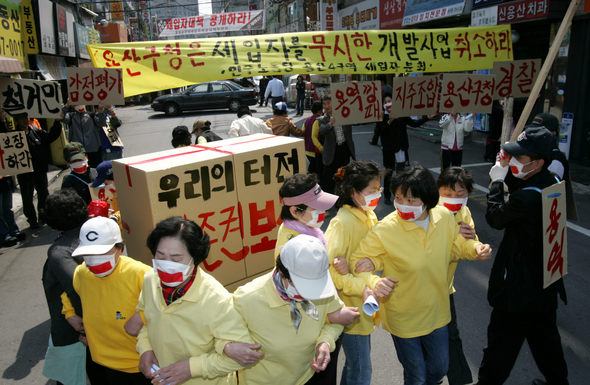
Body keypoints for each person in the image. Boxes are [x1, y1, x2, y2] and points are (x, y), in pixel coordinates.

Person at [351, 165, 492, 385]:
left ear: (427, 198)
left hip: (437, 311)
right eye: (398, 198)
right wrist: (374, 281)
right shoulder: (386, 228)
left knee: (439, 368)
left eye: (411, 200)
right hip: (404, 316)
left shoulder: (444, 217)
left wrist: (475, 250)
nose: (402, 205)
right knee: (416, 375)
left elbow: (456, 247)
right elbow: (358, 263)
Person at [477, 126, 568, 385]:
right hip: (545, 283)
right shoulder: (550, 182)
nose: (515, 161)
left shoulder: (527, 199)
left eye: (520, 158)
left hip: (517, 290)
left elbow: (495, 218)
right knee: (546, 344)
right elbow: (524, 185)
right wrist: (507, 169)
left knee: (499, 351)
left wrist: (496, 181)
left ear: (538, 162)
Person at [136, 217, 262, 385]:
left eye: (176, 258)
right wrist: (145, 348)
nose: (167, 265)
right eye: (160, 256)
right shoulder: (150, 280)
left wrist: (191, 368)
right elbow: (146, 320)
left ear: (194, 258)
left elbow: (240, 358)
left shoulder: (216, 299)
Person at [276, 172, 360, 385]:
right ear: (295, 210)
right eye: (317, 208)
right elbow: (304, 300)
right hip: (314, 334)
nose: (324, 212)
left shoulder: (304, 232)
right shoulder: (292, 250)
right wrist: (334, 314)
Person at [233, 235, 345, 385]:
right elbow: (218, 339)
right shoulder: (245, 300)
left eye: (314, 288)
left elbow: (336, 320)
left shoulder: (322, 288)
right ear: (282, 273)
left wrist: (325, 341)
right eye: (303, 288)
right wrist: (229, 347)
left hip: (308, 376)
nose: (310, 295)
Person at [61, 216, 151, 384]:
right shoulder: (82, 273)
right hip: (98, 363)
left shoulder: (142, 274)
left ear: (120, 248)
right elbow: (66, 292)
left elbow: (166, 304)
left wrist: (142, 316)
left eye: (101, 252)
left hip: (135, 365)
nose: (94, 259)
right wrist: (69, 313)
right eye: (88, 253)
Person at [326, 160, 382, 385]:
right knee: (361, 369)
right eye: (372, 190)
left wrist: (373, 262)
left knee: (354, 364)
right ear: (354, 192)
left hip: (364, 306)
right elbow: (331, 271)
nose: (377, 195)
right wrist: (361, 286)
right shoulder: (342, 223)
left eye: (379, 189)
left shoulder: (369, 215)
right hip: (350, 308)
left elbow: (379, 251)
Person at [41, 189, 89, 385]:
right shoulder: (93, 234)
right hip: (98, 323)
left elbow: (76, 288)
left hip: (73, 329)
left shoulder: (59, 252)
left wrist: (84, 327)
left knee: (72, 375)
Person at [437, 167, 478, 385]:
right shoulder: (426, 210)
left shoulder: (464, 213)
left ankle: (460, 380)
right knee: (423, 336)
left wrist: (474, 242)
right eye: (448, 194)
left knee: (451, 335)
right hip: (417, 288)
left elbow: (469, 243)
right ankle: (429, 376)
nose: (454, 199)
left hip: (444, 288)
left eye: (460, 194)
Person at [13, 111, 63, 228]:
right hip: (24, 173)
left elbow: (50, 136)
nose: (25, 121)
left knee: (43, 193)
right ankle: (31, 219)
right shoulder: (14, 136)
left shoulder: (35, 131)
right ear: (16, 121)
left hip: (39, 169)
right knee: (27, 196)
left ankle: (42, 216)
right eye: (21, 119)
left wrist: (56, 122)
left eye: (26, 118)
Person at [380, 96, 432, 204]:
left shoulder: (402, 114)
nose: (388, 103)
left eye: (390, 101)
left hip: (401, 149)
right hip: (389, 150)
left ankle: (400, 195)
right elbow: (381, 132)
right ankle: (387, 196)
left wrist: (427, 117)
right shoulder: (382, 116)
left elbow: (414, 124)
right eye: (385, 102)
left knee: (401, 173)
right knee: (389, 173)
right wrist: (389, 121)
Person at [530, 113, 578, 221]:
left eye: (539, 131)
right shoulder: (536, 151)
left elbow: (550, 189)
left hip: (544, 217)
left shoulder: (556, 158)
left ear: (553, 133)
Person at [318, 96, 356, 194]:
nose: (326, 106)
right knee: (329, 176)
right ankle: (328, 198)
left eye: (328, 103)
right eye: (324, 104)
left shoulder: (344, 115)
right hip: (331, 152)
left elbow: (358, 120)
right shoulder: (323, 118)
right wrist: (330, 124)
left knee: (343, 175)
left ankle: (341, 197)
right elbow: (322, 130)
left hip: (344, 149)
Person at [0, 110, 25, 245]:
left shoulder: (4, 131)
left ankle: (13, 231)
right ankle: (4, 235)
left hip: (5, 178)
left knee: (7, 207)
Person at [63, 103, 102, 168]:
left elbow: (101, 123)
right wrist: (67, 105)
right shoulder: (71, 116)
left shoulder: (92, 115)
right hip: (78, 152)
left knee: (96, 171)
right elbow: (60, 116)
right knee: (81, 172)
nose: (79, 105)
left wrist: (101, 110)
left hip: (94, 150)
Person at [302, 101, 324, 175]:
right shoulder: (319, 120)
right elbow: (315, 137)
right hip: (315, 150)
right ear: (320, 110)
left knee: (312, 167)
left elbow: (302, 132)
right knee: (316, 170)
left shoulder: (307, 120)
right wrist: (321, 147)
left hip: (307, 150)